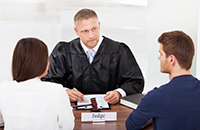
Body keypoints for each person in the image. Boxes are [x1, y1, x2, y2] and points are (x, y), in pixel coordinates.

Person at [42, 8, 144, 104]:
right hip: (72, 111)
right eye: (85, 31)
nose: (91, 35)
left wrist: (118, 92)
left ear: (99, 25)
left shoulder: (118, 50)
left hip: (111, 110)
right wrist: (65, 92)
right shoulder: (63, 51)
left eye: (94, 29)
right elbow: (48, 82)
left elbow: (135, 81)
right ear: (76, 31)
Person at [125, 30, 200, 130]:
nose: (159, 58)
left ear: (171, 59)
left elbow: (130, 125)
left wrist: (154, 112)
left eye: (161, 54)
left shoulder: (155, 97)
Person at [0, 38, 74, 130]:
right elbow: (68, 126)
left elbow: (1, 121)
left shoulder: (3, 88)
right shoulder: (56, 91)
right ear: (41, 62)